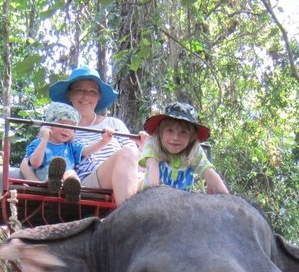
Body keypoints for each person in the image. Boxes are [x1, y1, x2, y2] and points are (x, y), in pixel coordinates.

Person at [48, 65, 145, 205]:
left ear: (98, 97)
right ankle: (127, 219)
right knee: (128, 153)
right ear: (69, 95)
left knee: (148, 167)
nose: (86, 96)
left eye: (92, 92)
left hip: (128, 176)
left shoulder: (114, 123)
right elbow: (48, 155)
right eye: (79, 90)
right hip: (88, 181)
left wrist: (145, 148)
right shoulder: (61, 128)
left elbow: (137, 162)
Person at [19, 102, 112, 201]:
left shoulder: (71, 146)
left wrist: (104, 141)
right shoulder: (38, 143)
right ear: (50, 125)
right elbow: (35, 163)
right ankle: (54, 181)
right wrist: (45, 138)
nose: (66, 130)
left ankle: (74, 190)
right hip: (44, 181)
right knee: (54, 172)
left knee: (70, 173)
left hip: (66, 181)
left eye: (71, 126)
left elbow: (88, 150)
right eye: (62, 124)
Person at [140, 101, 229, 194]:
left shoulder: (195, 151)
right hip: (150, 196)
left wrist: (228, 199)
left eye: (183, 132)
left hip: (181, 202)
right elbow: (152, 168)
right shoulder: (153, 144)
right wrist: (154, 196)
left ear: (191, 137)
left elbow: (209, 173)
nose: (175, 138)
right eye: (170, 130)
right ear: (160, 132)